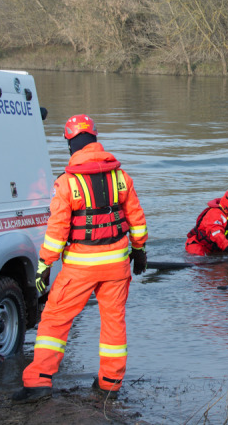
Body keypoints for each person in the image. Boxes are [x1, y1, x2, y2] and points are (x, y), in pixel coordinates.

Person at [12, 114, 148, 404]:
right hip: (117, 266)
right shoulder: (121, 177)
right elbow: (136, 218)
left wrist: (44, 265)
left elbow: (57, 230)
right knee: (114, 323)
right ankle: (110, 383)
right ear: (95, 139)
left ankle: (38, 383)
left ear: (71, 143)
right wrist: (140, 250)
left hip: (80, 267)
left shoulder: (67, 183)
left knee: (54, 321)